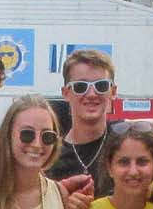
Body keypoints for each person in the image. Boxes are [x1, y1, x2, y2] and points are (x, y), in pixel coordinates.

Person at [49, 48, 118, 191]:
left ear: (113, 91)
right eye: (80, 87)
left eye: (101, 85)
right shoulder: (50, 156)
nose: (92, 94)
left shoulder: (125, 141)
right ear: (66, 93)